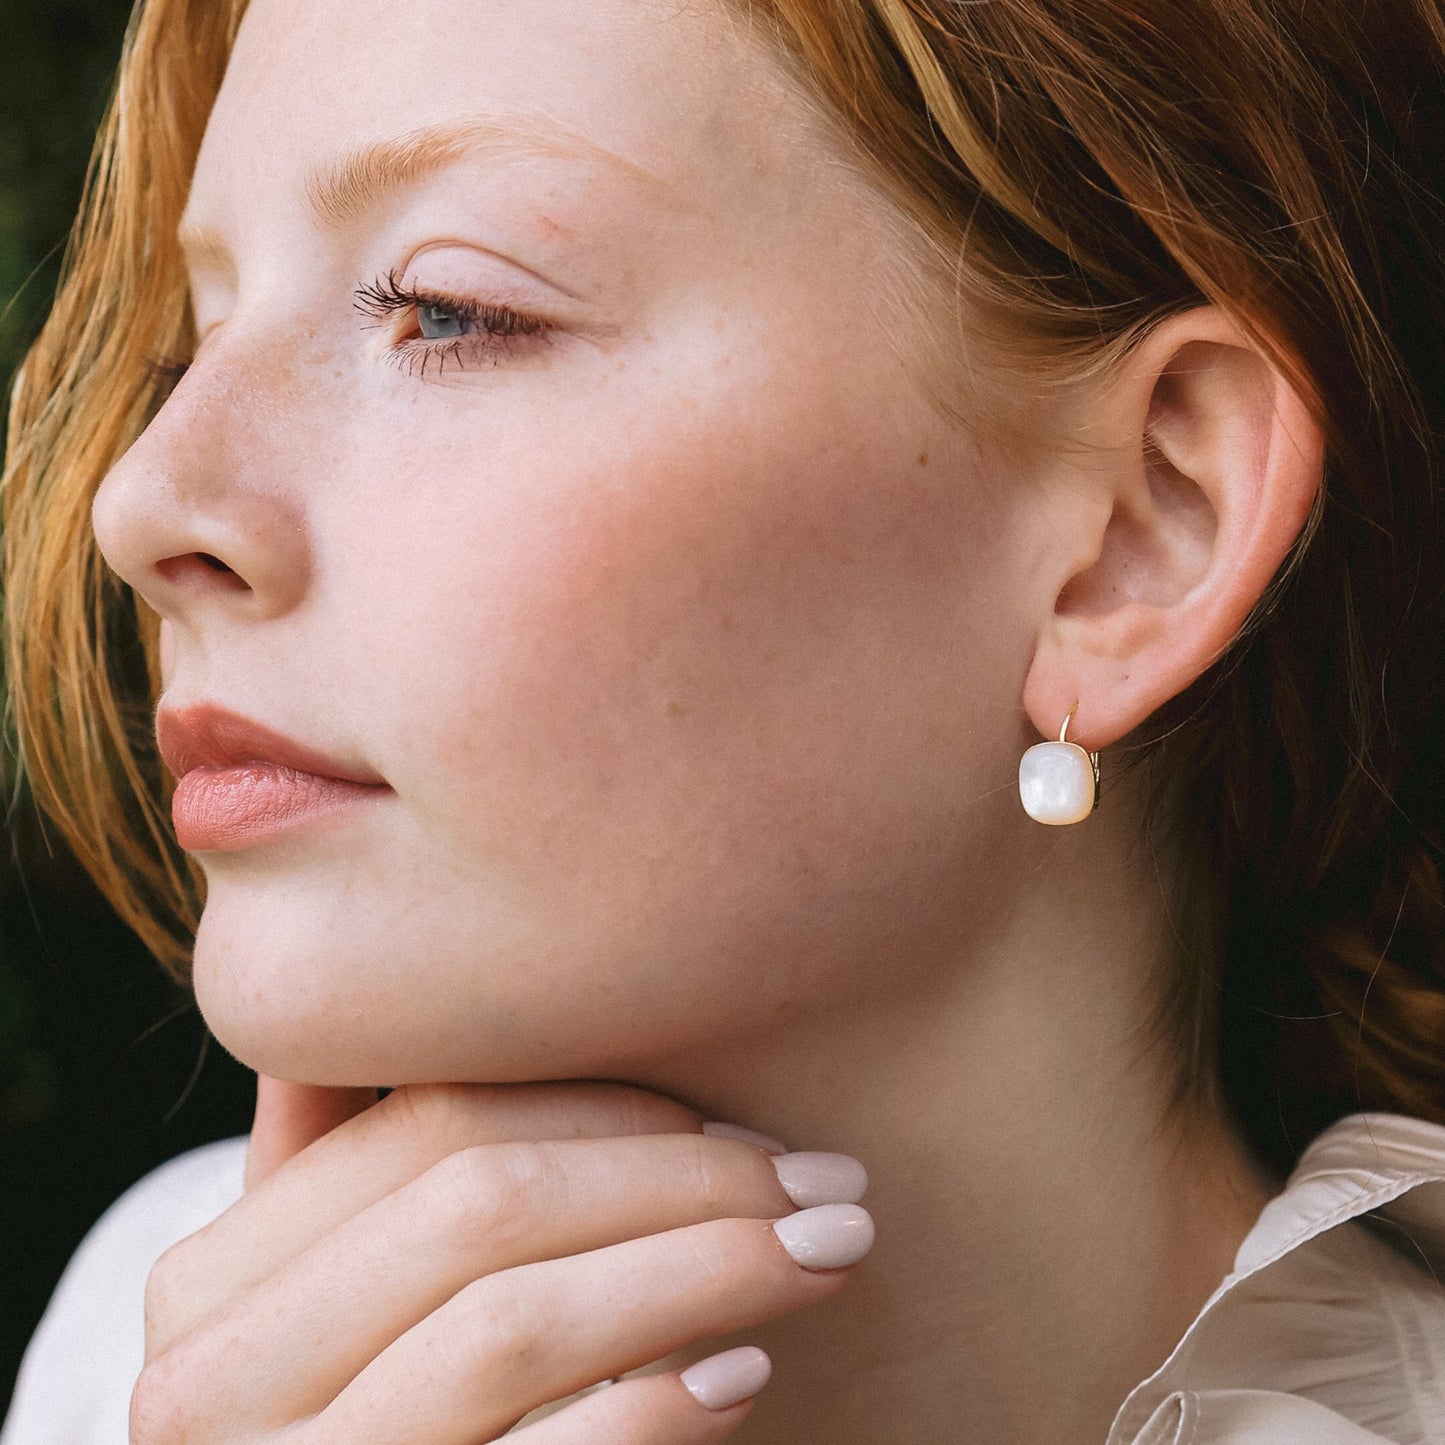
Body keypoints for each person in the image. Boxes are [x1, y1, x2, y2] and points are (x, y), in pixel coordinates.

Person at [3, 0, 1444, 1439]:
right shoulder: (148, 1354)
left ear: (1142, 525)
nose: (141, 501)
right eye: (192, 343)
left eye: (450, 310)